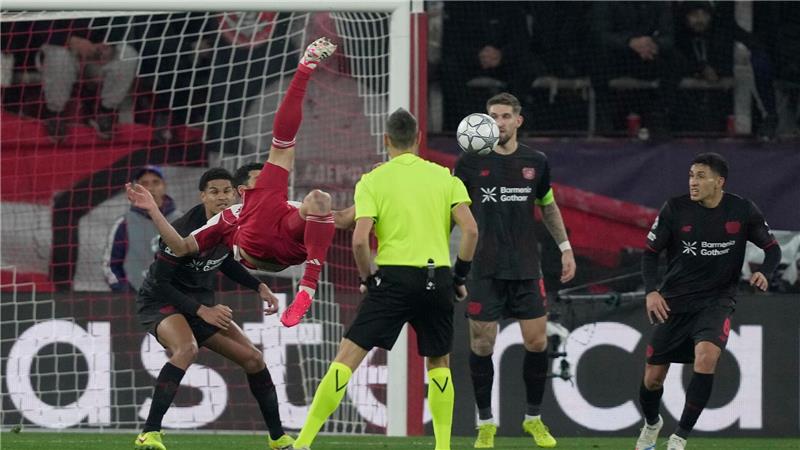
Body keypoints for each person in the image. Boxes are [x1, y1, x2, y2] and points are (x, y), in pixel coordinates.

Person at [290, 108, 478, 450]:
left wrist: (369, 278)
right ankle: (443, 446)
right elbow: (470, 231)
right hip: (438, 279)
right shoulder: (445, 178)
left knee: (346, 358)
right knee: (438, 363)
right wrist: (460, 275)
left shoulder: (373, 181)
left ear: (386, 140)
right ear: (419, 139)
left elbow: (360, 239)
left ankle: (303, 442)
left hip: (393, 279)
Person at [125, 37, 346, 328]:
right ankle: (304, 69)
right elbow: (180, 247)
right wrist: (154, 210)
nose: (223, 196)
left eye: (224, 191)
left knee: (319, 200)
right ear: (245, 191)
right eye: (260, 179)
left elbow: (342, 220)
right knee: (282, 150)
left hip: (289, 249)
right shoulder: (226, 219)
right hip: (256, 247)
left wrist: (372, 198)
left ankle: (307, 289)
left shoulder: (283, 206)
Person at [133, 167, 295, 450]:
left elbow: (226, 260)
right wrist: (201, 310)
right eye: (214, 192)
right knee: (187, 349)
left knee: (254, 360)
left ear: (235, 194)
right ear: (203, 196)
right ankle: (149, 433)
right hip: (162, 300)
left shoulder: (233, 222)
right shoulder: (184, 230)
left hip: (199, 303)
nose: (222, 198)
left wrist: (258, 286)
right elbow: (160, 282)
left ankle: (277, 438)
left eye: (226, 191)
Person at [454, 92, 576, 449]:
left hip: (526, 267)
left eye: (505, 116)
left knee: (537, 341)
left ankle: (533, 419)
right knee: (482, 343)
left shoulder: (535, 162)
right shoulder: (470, 163)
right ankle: (486, 424)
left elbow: (548, 207)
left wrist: (565, 248)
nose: (499, 123)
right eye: (493, 116)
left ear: (518, 121)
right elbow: (451, 212)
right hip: (484, 269)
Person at [636, 152, 781, 450]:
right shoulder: (675, 209)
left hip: (717, 301)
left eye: (701, 176)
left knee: (706, 357)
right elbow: (650, 253)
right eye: (691, 175)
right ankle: (652, 424)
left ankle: (679, 438)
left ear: (719, 182)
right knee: (652, 379)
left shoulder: (742, 210)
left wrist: (765, 273)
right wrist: (652, 291)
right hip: (675, 302)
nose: (693, 182)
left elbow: (773, 249)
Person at [105, 166, 181, 292]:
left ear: (164, 186)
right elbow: (111, 266)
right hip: (137, 301)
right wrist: (126, 292)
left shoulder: (182, 219)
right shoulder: (124, 223)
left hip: (178, 299)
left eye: (156, 182)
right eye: (144, 184)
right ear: (136, 190)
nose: (150, 188)